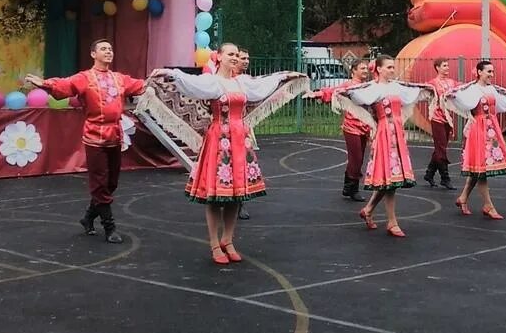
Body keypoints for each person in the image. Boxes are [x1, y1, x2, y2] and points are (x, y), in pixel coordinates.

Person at [145, 43, 308, 264]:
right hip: (219, 139)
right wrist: (171, 74)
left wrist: (285, 76)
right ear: (219, 57)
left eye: (236, 55)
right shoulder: (211, 82)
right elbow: (189, 83)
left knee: (235, 195)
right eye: (230, 54)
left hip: (239, 139)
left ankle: (228, 240)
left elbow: (264, 84)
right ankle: (214, 244)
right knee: (215, 196)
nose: (234, 58)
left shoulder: (242, 82)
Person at [25, 39, 147, 243]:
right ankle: (109, 227)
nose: (108, 52)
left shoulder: (119, 78)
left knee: (111, 183)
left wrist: (163, 78)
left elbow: (141, 85)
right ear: (93, 54)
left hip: (115, 136)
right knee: (99, 184)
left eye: (110, 49)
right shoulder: (85, 78)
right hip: (95, 137)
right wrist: (46, 84)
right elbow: (65, 85)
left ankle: (88, 217)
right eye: (103, 49)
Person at [332, 55, 434, 237]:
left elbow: (414, 93)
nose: (392, 70)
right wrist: (327, 93)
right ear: (378, 69)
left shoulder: (396, 87)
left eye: (393, 67)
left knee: (391, 178)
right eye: (389, 67)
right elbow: (351, 94)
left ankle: (369, 209)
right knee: (390, 178)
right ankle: (392, 222)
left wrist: (429, 89)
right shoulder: (371, 89)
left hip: (397, 133)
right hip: (384, 133)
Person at [445, 61, 506, 219]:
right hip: (479, 130)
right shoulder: (471, 89)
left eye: (492, 71)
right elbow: (459, 99)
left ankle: (463, 198)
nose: (491, 74)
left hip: (491, 128)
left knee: (479, 169)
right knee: (482, 169)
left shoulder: (492, 89)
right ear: (479, 72)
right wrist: (450, 96)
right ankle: (488, 205)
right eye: (488, 71)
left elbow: (503, 102)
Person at [304, 58, 371, 201]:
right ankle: (353, 188)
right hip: (351, 126)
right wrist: (317, 94)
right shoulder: (349, 85)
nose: (365, 71)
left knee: (359, 159)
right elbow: (333, 92)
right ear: (353, 70)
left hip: (365, 126)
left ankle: (348, 187)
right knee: (356, 158)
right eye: (362, 68)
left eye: (366, 68)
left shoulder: (368, 86)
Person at [424, 59, 458, 189]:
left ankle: (429, 173)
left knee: (440, 148)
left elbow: (460, 90)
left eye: (447, 65)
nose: (447, 68)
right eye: (444, 65)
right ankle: (445, 177)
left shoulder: (452, 82)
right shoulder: (432, 83)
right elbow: (423, 92)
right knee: (441, 148)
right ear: (437, 68)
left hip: (447, 118)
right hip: (436, 118)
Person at [234, 47, 256, 219]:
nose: (246, 61)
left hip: (242, 128)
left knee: (243, 166)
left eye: (247, 58)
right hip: (224, 130)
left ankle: (241, 203)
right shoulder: (221, 80)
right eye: (242, 58)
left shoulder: (247, 80)